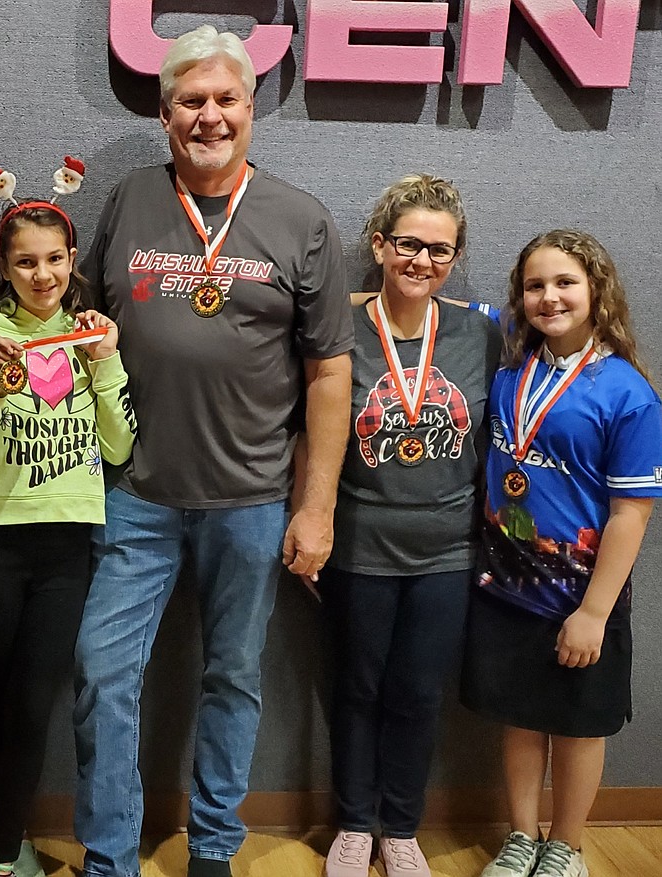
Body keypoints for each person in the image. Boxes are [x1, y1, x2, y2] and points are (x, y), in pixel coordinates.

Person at [71, 25, 354, 877]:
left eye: (226, 99)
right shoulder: (126, 201)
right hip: (138, 491)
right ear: (165, 116)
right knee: (100, 672)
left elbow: (330, 374)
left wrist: (317, 505)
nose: (210, 116)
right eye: (191, 101)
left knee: (232, 677)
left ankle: (216, 847)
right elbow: (80, 323)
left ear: (252, 109)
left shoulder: (302, 219)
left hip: (253, 499)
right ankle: (111, 855)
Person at [0, 178, 136, 877]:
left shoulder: (93, 336)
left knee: (31, 699)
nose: (42, 275)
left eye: (54, 259)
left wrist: (105, 367)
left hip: (65, 545)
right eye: (25, 262)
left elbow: (119, 449)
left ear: (72, 258)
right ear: (3, 267)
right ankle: (8, 832)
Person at [315, 176, 501, 877]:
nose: (422, 259)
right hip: (360, 543)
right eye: (408, 243)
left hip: (449, 549)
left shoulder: (479, 331)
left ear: (454, 258)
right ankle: (355, 823)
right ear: (379, 244)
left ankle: (400, 825)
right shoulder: (340, 325)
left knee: (420, 692)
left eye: (439, 249)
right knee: (358, 686)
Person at [462, 231, 662, 877]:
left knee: (577, 726)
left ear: (596, 290)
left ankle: (567, 845)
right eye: (535, 285)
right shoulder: (511, 360)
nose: (549, 297)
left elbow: (632, 513)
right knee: (520, 719)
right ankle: (523, 836)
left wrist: (595, 612)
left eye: (565, 282)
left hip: (580, 598)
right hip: (505, 585)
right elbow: (424, 303)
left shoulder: (628, 392)